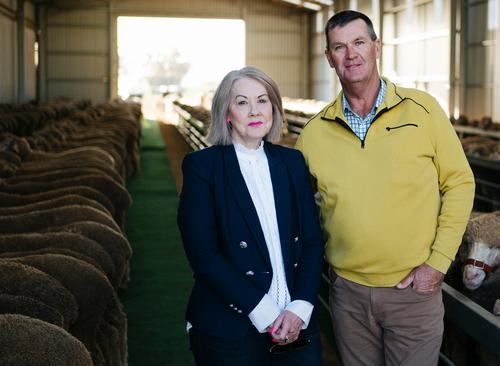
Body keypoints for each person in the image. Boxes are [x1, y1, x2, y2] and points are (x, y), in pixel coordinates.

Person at [295, 10, 475, 366]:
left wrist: (438, 263)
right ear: (329, 58)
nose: (351, 54)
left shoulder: (422, 111)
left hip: (412, 291)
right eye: (339, 47)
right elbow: (294, 213)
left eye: (359, 42)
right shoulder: (314, 134)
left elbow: (459, 182)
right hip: (348, 293)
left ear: (376, 47)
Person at [177, 66, 324, 365]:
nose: (255, 110)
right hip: (231, 324)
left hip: (296, 319)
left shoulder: (291, 162)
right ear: (226, 112)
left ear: (274, 108)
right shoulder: (203, 167)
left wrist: (301, 305)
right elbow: (203, 253)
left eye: (263, 100)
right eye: (242, 102)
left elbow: (311, 240)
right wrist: (263, 310)